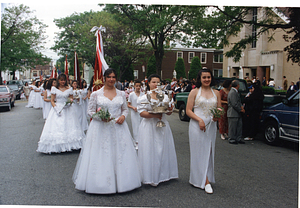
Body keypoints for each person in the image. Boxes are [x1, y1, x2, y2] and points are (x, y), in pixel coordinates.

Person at [73, 68, 141, 194]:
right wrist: (100, 117)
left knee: (120, 153)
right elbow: (90, 111)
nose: (111, 79)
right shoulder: (96, 94)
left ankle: (123, 181)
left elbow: (125, 109)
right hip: (101, 128)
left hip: (118, 127)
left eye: (113, 77)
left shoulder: (121, 94)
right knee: (101, 154)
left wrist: (123, 116)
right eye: (109, 77)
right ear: (104, 78)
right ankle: (100, 183)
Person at [136, 74, 178, 186]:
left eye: (158, 82)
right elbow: (141, 113)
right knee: (150, 150)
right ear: (148, 83)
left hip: (162, 125)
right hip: (149, 126)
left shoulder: (165, 96)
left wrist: (169, 109)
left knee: (162, 149)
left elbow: (168, 112)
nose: (156, 84)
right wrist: (155, 115)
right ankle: (149, 176)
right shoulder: (143, 98)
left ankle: (163, 175)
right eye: (153, 82)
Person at [186, 69, 221, 194]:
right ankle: (204, 180)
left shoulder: (216, 93)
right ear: (199, 79)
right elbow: (188, 110)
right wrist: (199, 120)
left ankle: (205, 176)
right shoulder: (194, 92)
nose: (207, 79)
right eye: (204, 77)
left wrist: (218, 116)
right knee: (198, 152)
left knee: (209, 151)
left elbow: (219, 108)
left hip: (211, 126)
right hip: (197, 126)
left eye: (209, 77)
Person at [36, 74, 84, 154]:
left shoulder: (69, 89)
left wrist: (69, 103)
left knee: (69, 125)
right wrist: (56, 108)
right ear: (58, 80)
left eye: (64, 80)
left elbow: (71, 99)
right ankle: (57, 146)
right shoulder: (54, 89)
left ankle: (72, 145)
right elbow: (52, 100)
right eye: (61, 80)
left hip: (68, 109)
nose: (63, 82)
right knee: (57, 126)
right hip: (57, 108)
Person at [227, 80, 245, 145]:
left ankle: (238, 138)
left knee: (239, 126)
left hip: (237, 113)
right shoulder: (232, 92)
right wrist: (240, 110)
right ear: (237, 85)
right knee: (232, 127)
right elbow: (234, 103)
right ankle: (231, 139)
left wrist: (241, 106)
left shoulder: (236, 92)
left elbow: (238, 102)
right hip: (233, 113)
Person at [128, 80, 144, 149]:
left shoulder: (143, 94)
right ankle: (136, 141)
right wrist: (133, 107)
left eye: (139, 86)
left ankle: (141, 141)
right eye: (136, 86)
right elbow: (128, 104)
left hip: (141, 113)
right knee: (135, 126)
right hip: (134, 113)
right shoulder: (131, 94)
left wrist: (140, 108)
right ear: (134, 86)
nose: (138, 87)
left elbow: (144, 104)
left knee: (141, 126)